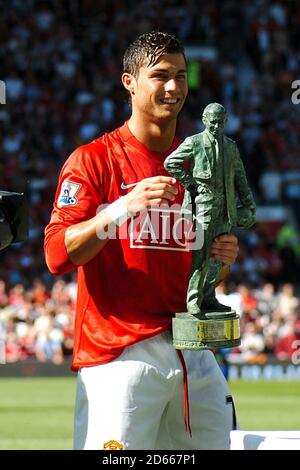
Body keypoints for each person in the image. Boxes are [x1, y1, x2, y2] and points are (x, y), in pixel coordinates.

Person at [45, 31, 239, 450]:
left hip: (194, 350)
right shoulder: (93, 160)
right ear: (129, 82)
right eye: (160, 75)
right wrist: (119, 208)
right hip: (120, 355)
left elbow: (199, 272)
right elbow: (57, 254)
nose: (173, 88)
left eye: (182, 76)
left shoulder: (202, 163)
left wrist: (222, 260)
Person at [164, 103, 256, 316]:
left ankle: (209, 296)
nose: (216, 126)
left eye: (220, 122)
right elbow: (172, 162)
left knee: (218, 256)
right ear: (204, 120)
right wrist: (191, 184)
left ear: (226, 122)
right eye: (212, 122)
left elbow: (240, 177)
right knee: (201, 253)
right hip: (203, 205)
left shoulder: (231, 146)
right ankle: (194, 298)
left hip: (226, 207)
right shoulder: (194, 142)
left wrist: (248, 204)